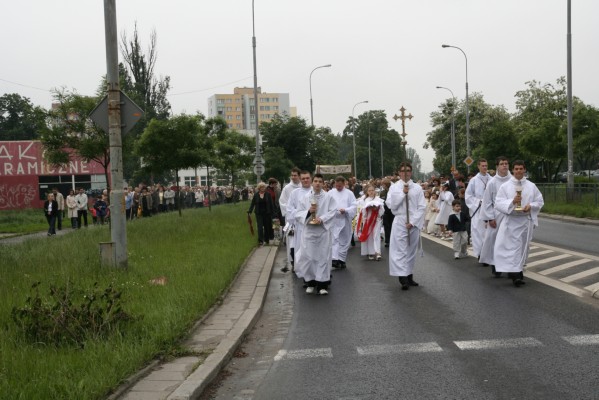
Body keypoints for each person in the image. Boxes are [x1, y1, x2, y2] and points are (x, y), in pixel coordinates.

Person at [494, 160, 544, 287]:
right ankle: (515, 275)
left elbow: (539, 201)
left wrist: (530, 206)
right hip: (511, 221)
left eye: (521, 168)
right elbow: (498, 203)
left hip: (525, 221)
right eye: (516, 169)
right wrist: (512, 202)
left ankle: (518, 270)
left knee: (523, 248)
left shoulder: (531, 186)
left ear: (524, 170)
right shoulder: (505, 186)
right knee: (513, 248)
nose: (518, 171)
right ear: (513, 170)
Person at [294, 173, 337, 295]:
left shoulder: (328, 197)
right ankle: (310, 282)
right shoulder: (305, 198)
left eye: (320, 181)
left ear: (323, 183)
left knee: (323, 257)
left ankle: (322, 285)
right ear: (312, 183)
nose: (317, 183)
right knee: (309, 257)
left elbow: (333, 211)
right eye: (316, 181)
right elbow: (298, 214)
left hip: (322, 231)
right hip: (309, 231)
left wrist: (322, 218)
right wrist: (308, 212)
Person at [386, 162, 427, 290]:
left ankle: (409, 274)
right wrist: (402, 194)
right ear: (399, 173)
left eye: (408, 170)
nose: (405, 173)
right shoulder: (394, 188)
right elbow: (391, 205)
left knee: (410, 250)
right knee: (400, 249)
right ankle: (402, 276)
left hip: (413, 221)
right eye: (403, 171)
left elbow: (422, 206)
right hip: (400, 220)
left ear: (411, 172)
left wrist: (413, 221)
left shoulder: (417, 188)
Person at [479, 156, 512, 276]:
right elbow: (487, 201)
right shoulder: (492, 182)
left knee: (509, 242)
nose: (505, 166)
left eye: (506, 163)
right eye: (502, 164)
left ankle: (510, 268)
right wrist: (490, 217)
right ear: (497, 166)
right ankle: (495, 264)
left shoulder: (513, 180)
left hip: (510, 215)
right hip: (496, 216)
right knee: (495, 241)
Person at [285, 171, 313, 271]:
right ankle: (303, 271)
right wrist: (304, 213)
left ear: (311, 178)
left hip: (315, 227)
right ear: (300, 180)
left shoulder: (316, 191)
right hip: (300, 226)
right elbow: (289, 210)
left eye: (307, 178)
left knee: (314, 250)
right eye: (303, 178)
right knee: (301, 249)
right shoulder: (294, 193)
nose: (305, 180)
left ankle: (315, 272)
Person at [328, 176, 357, 268]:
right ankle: (335, 259)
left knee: (344, 240)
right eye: (336, 185)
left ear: (344, 184)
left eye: (340, 186)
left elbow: (354, 205)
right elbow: (326, 204)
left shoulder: (349, 193)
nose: (338, 187)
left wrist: (346, 210)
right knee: (334, 239)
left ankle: (341, 259)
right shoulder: (330, 193)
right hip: (334, 219)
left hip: (345, 218)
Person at [465, 159, 491, 259]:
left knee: (489, 232)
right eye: (483, 166)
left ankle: (488, 253)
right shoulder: (474, 180)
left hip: (489, 209)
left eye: (486, 165)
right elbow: (468, 196)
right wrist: (478, 202)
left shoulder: (492, 179)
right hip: (478, 209)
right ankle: (481, 254)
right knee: (478, 232)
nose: (485, 167)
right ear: (478, 166)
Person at [278, 168, 301, 272]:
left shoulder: (303, 186)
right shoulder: (287, 188)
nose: (293, 177)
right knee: (292, 242)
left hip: (302, 219)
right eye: (292, 175)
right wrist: (291, 210)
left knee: (301, 242)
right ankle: (292, 262)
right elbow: (282, 202)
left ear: (299, 176)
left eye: (295, 175)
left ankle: (301, 262)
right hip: (291, 220)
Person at [356, 184, 385, 261]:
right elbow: (363, 212)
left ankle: (377, 252)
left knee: (376, 235)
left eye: (372, 190)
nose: (371, 192)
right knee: (369, 236)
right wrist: (368, 208)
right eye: (369, 191)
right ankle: (370, 252)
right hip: (368, 221)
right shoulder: (365, 200)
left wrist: (377, 210)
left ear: (375, 191)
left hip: (376, 220)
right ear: (367, 192)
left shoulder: (378, 199)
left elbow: (382, 211)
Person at [247, 182, 275, 246]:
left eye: (264, 187)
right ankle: (260, 240)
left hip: (267, 213)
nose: (263, 188)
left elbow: (271, 204)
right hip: (258, 213)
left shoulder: (268, 194)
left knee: (266, 226)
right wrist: (250, 211)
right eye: (262, 187)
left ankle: (266, 239)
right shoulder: (256, 195)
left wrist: (273, 213)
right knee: (260, 227)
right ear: (259, 188)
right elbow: (253, 203)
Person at [379, 178, 395, 248]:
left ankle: (393, 240)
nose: (382, 186)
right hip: (385, 211)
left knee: (392, 226)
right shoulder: (382, 192)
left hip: (392, 211)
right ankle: (387, 241)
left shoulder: (393, 191)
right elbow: (381, 201)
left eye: (383, 184)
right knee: (386, 226)